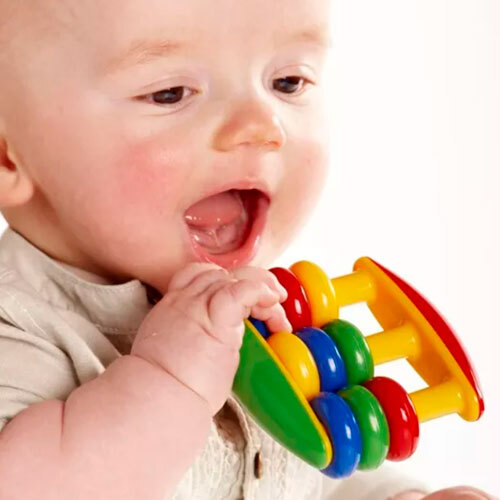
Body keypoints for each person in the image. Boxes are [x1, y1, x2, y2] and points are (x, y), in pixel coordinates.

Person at [0, 1, 495, 499]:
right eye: (170, 93)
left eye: (288, 83)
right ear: (7, 156)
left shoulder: (272, 316)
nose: (262, 125)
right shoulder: (16, 333)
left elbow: (308, 473)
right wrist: (169, 379)